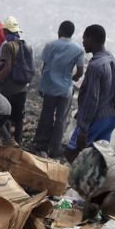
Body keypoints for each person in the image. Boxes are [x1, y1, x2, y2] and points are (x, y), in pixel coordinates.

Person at [65, 24, 115, 162]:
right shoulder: (111, 58)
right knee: (98, 158)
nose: (83, 42)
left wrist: (82, 129)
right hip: (110, 117)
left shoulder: (95, 66)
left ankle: (72, 183)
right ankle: (93, 183)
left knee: (72, 154)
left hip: (96, 119)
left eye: (85, 39)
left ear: (92, 39)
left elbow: (92, 99)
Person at [32, 21, 85, 158]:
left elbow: (45, 67)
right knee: (61, 119)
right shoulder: (78, 49)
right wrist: (70, 79)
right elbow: (80, 72)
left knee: (47, 115)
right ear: (72, 33)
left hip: (50, 87)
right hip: (65, 89)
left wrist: (43, 85)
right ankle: (55, 148)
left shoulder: (50, 45)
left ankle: (41, 144)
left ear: (60, 31)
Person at [0, 16, 29, 144]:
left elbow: (7, 68)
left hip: (9, 88)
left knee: (5, 115)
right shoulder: (25, 45)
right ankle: (18, 143)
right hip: (23, 88)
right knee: (19, 118)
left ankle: (7, 143)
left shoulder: (8, 46)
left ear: (6, 31)